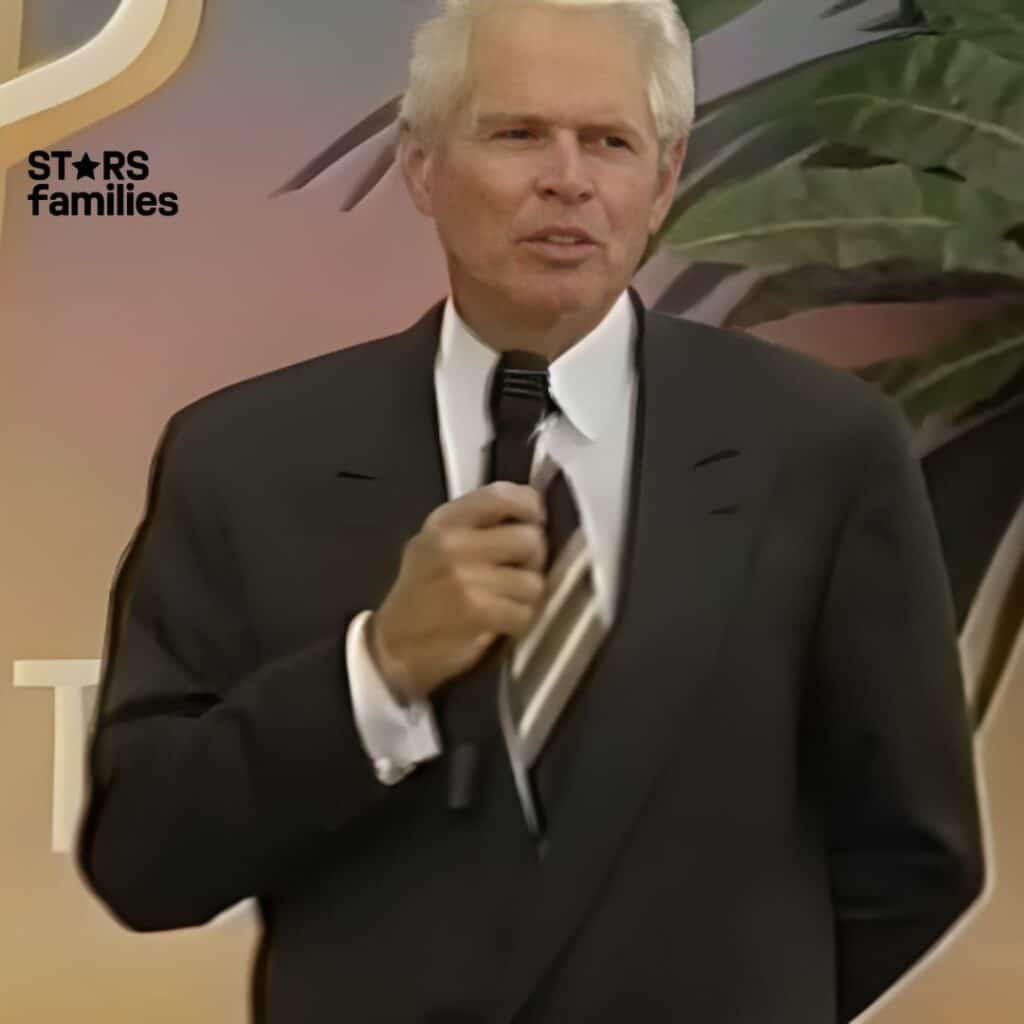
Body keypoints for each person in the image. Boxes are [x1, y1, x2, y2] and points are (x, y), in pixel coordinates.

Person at [76, 1, 986, 1021]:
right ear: (421, 167)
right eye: (517, 134)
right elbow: (145, 858)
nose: (568, 178)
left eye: (609, 141)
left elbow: (916, 852)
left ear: (664, 178)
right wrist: (377, 672)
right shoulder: (245, 458)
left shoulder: (822, 448)